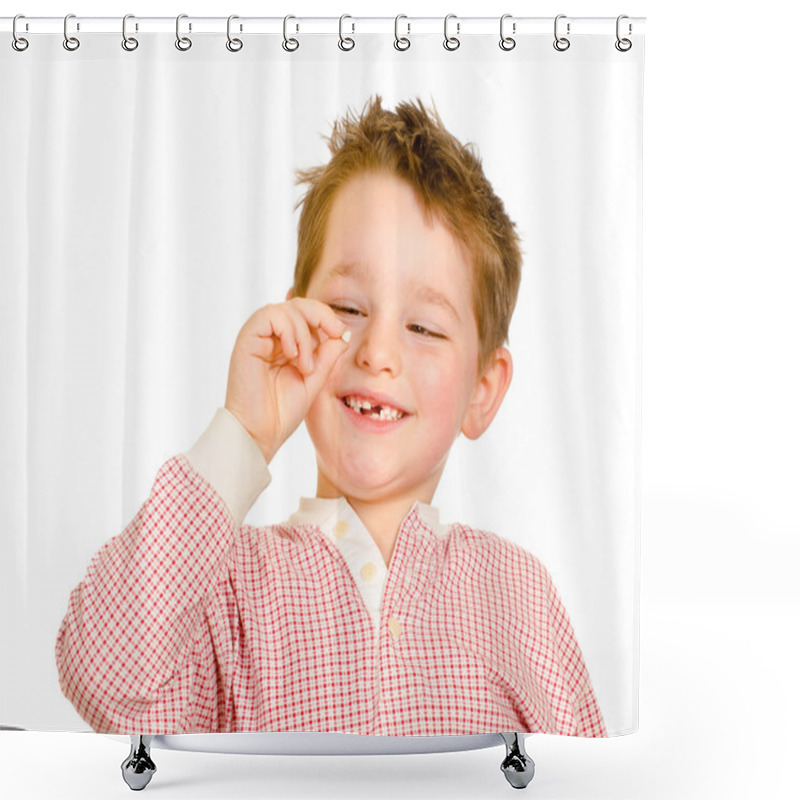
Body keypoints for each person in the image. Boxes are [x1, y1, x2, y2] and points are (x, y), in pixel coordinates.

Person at [56, 96, 606, 737]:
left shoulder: (516, 595)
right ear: (297, 326)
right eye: (347, 308)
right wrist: (244, 432)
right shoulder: (227, 588)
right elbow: (100, 672)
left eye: (424, 326)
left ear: (483, 388)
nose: (377, 352)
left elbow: (589, 780)